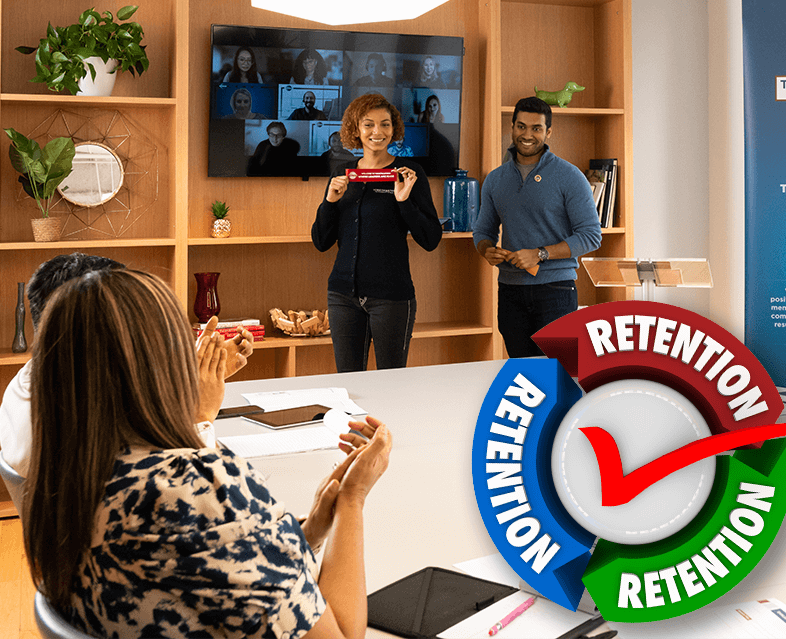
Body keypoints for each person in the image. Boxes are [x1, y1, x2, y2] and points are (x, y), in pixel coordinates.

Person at [22, 267, 392, 638]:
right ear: (159, 368)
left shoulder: (61, 481)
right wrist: (351, 500)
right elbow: (341, 634)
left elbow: (205, 570)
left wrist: (306, 532)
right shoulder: (201, 487)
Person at [0, 253, 254, 478]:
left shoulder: (30, 386)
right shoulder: (85, 436)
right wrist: (201, 416)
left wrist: (196, 376)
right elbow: (201, 494)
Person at [312, 93, 442, 372]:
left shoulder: (408, 173)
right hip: (342, 296)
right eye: (368, 124)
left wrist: (404, 201)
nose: (377, 132)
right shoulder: (342, 172)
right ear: (355, 130)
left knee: (391, 384)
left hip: (391, 297)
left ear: (394, 129)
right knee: (349, 384)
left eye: (385, 124)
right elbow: (321, 241)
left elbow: (431, 239)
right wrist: (330, 202)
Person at [473, 96, 602, 358]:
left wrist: (540, 253)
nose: (527, 135)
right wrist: (487, 250)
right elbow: (483, 232)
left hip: (556, 290)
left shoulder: (570, 176)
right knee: (522, 375)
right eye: (521, 126)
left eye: (536, 128)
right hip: (510, 291)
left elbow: (591, 236)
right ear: (512, 128)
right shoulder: (495, 179)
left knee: (558, 374)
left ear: (548, 132)